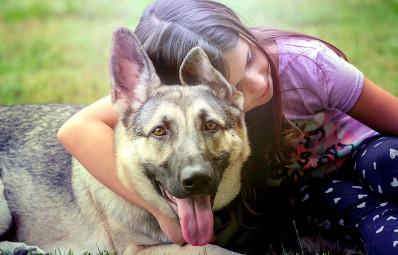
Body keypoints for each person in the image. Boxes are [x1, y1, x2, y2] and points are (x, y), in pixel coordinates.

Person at [58, 0, 398, 253]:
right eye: (234, 81)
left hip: (367, 152)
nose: (257, 81)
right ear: (194, 83)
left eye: (250, 57)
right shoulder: (167, 99)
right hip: (315, 189)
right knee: (380, 231)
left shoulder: (307, 64)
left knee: (388, 160)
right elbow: (76, 129)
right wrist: (158, 212)